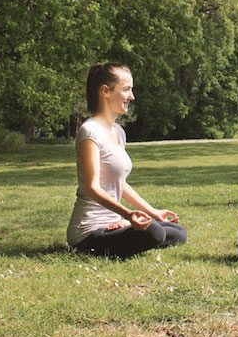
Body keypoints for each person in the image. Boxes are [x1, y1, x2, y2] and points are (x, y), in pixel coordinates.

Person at [67, 62, 188, 258]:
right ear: (105, 91)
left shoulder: (119, 132)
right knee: (155, 232)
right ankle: (123, 232)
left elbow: (119, 184)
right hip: (89, 231)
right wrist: (127, 215)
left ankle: (124, 231)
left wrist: (152, 211)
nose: (132, 96)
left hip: (115, 223)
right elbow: (92, 187)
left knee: (179, 232)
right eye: (126, 90)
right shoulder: (89, 132)